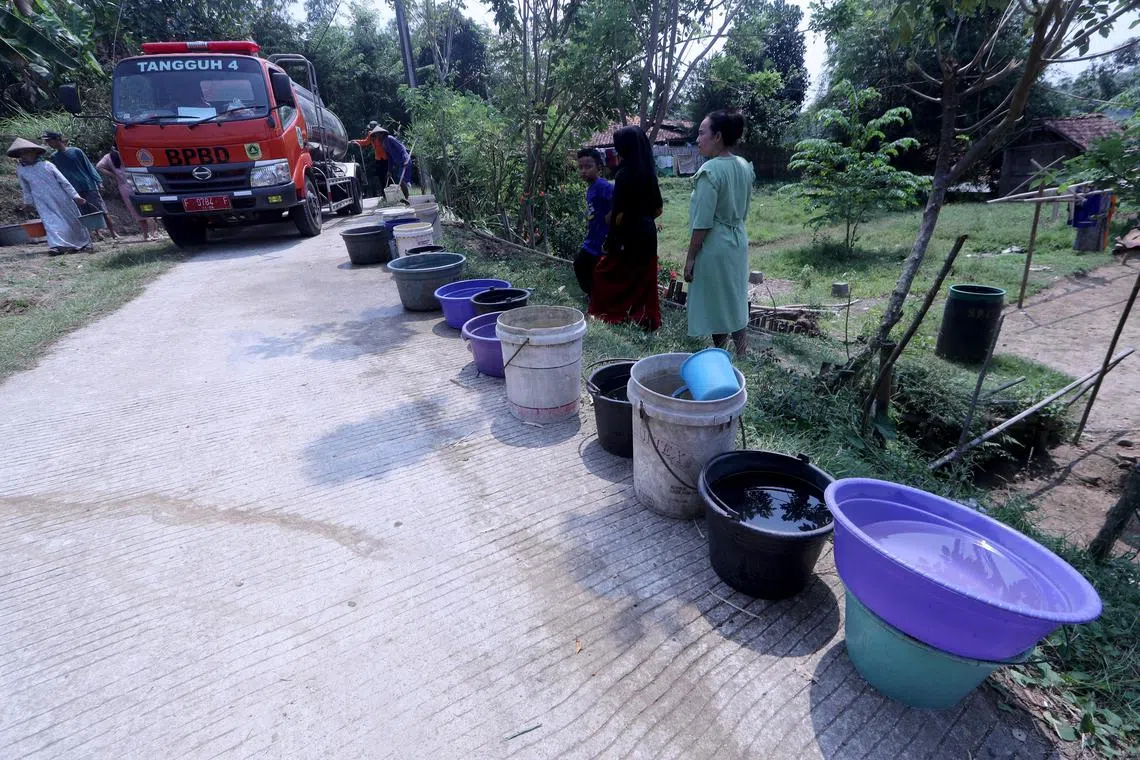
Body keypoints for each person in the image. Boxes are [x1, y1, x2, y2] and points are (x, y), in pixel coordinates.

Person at [684, 110, 755, 357]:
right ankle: (742, 352)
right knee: (735, 296)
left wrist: (690, 258)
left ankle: (721, 353)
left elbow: (702, 222)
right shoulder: (743, 165)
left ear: (718, 137)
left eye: (702, 133)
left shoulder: (710, 171)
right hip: (737, 240)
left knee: (717, 301)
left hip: (715, 244)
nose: (698, 138)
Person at [587, 127, 662, 331]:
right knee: (642, 277)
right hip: (647, 232)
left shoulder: (624, 175)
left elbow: (618, 215)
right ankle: (643, 316)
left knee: (606, 273)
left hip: (628, 234)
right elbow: (658, 209)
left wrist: (612, 239)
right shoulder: (649, 172)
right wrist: (642, 218)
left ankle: (617, 312)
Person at [9, 137, 92, 254]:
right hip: (42, 201)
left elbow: (64, 182)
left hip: (61, 198)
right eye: (21, 154)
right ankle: (57, 246)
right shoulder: (21, 170)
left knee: (72, 220)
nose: (23, 156)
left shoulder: (47, 165)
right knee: (50, 222)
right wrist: (28, 203)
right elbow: (26, 189)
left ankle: (84, 243)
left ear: (34, 153)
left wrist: (75, 196)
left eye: (26, 153)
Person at [42, 131, 116, 239]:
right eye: (47, 142)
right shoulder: (54, 157)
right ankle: (97, 233)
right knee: (85, 213)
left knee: (101, 210)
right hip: (73, 189)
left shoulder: (76, 151)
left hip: (88, 185)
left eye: (50, 141)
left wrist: (98, 181)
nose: (49, 144)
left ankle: (113, 233)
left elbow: (88, 166)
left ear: (57, 139)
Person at [574, 147, 613, 298]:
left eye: (588, 166)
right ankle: (594, 295)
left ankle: (596, 296)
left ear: (599, 168)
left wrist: (608, 218)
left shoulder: (603, 186)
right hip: (593, 236)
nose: (584, 171)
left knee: (581, 264)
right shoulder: (591, 188)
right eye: (580, 167)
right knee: (585, 266)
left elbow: (619, 201)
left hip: (602, 238)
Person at [97, 147, 157, 241]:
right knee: (148, 208)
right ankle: (154, 234)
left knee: (136, 211)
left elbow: (99, 166)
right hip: (140, 183)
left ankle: (146, 235)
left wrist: (114, 175)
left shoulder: (109, 157)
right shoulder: (130, 151)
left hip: (124, 187)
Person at [352, 126, 411, 200]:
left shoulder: (389, 138)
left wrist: (406, 159)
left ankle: (405, 197)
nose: (377, 136)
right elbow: (390, 158)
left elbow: (402, 148)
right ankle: (393, 196)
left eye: (379, 134)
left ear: (382, 133)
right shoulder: (380, 141)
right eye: (376, 134)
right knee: (392, 179)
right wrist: (389, 170)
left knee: (401, 180)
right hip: (390, 162)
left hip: (400, 160)